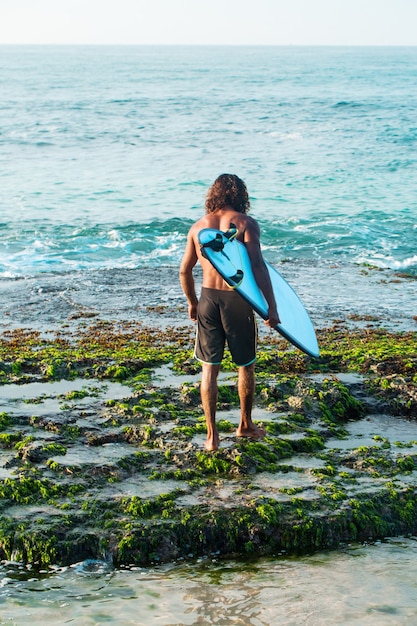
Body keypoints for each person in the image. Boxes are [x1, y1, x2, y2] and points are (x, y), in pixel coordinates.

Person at [179, 174, 280, 451]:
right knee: (245, 364)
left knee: (209, 370)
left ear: (213, 195)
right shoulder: (246, 223)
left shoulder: (198, 227)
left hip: (208, 299)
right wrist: (271, 306)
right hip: (237, 300)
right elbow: (258, 267)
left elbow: (184, 270)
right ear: (240, 196)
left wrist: (192, 302)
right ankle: (244, 425)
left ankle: (212, 437)